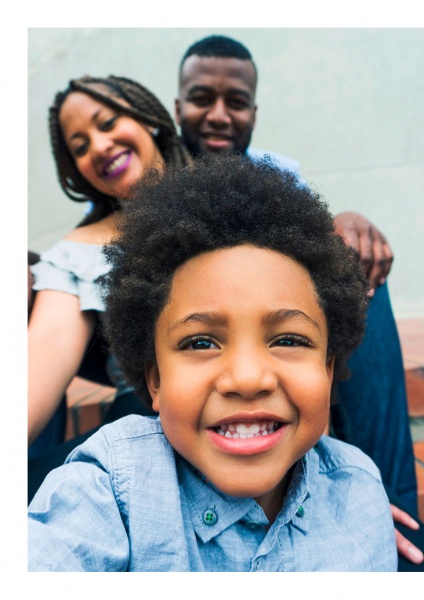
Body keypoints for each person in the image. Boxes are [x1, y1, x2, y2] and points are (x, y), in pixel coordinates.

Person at [29, 155, 397, 571]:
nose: (246, 378)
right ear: (155, 381)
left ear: (328, 372)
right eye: (200, 342)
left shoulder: (359, 494)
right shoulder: (111, 487)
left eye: (289, 339)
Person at [175, 35, 424, 564]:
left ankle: (393, 507)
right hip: (202, 343)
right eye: (202, 98)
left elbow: (318, 242)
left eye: (237, 102)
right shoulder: (159, 175)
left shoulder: (278, 174)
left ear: (254, 111)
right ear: (179, 106)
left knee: (357, 272)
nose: (220, 114)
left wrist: (348, 223)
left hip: (277, 331)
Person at [28, 76, 191, 450]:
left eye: (107, 123)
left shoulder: (236, 194)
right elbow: (45, 351)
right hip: (142, 444)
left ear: (146, 117)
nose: (99, 146)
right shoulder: (76, 255)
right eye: (80, 147)